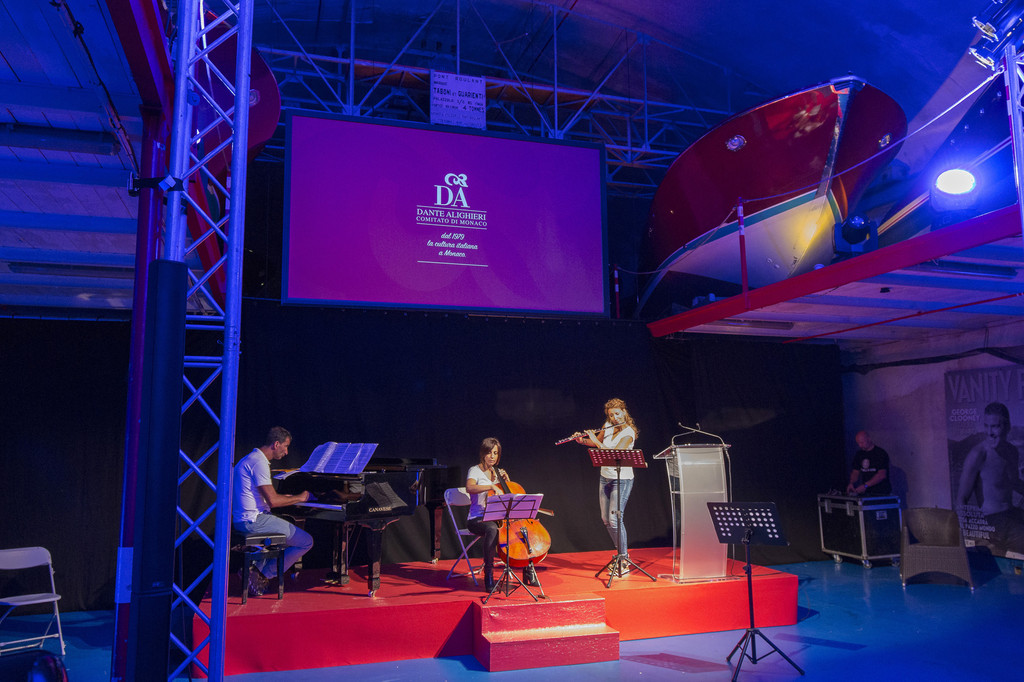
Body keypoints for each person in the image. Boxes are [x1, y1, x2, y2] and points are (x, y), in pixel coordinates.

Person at [232, 426, 314, 596]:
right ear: (276, 444)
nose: (287, 452)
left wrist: (289, 497)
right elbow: (274, 501)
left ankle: (255, 570)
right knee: (306, 541)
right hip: (254, 521)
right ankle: (262, 575)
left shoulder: (250, 458)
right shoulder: (259, 462)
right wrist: (300, 497)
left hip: (244, 519)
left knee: (287, 534)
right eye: (286, 446)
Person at [574, 398, 638, 561]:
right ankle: (621, 553)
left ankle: (623, 558)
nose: (614, 418)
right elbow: (595, 443)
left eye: (617, 413)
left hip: (621, 479)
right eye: (611, 415)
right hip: (605, 477)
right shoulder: (608, 425)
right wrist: (582, 440)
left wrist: (595, 440)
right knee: (605, 519)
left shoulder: (629, 433)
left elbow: (613, 453)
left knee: (615, 519)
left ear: (624, 412)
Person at [956, 402, 1024, 554]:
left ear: (1007, 427)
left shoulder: (1012, 452)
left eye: (995, 426)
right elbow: (961, 498)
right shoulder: (978, 454)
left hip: (1010, 516)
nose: (989, 432)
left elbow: (1014, 483)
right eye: (986, 426)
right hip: (990, 522)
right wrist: (967, 536)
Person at [846, 431, 892, 496]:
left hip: (881, 493)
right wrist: (851, 483)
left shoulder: (880, 453)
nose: (860, 445)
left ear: (869, 439)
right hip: (867, 493)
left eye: (862, 442)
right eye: (858, 443)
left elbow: (882, 475)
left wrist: (866, 485)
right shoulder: (859, 454)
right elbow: (855, 472)